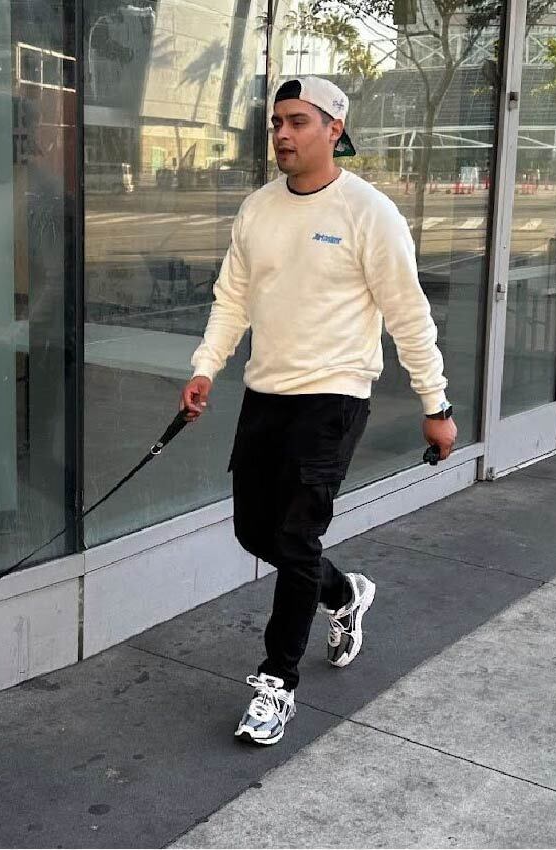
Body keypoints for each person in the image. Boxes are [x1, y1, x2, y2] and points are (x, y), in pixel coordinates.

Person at [180, 76, 456, 746]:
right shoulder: (258, 210)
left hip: (333, 399)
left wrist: (435, 403)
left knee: (296, 539)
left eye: (298, 122)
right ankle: (343, 594)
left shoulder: (369, 213)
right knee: (256, 534)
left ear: (334, 129)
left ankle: (277, 684)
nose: (282, 134)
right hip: (265, 393)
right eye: (277, 122)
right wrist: (204, 367)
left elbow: (408, 316)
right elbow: (233, 299)